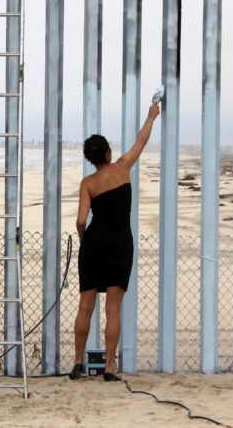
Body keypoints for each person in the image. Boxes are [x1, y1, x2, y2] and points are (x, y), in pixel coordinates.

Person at [69, 102, 160, 381]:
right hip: (120, 245)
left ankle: (77, 362)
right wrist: (151, 115)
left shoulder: (88, 183)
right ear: (108, 152)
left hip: (94, 247)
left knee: (86, 306)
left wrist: (85, 242)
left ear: (91, 159)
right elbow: (141, 141)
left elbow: (81, 221)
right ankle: (109, 366)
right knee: (113, 309)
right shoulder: (123, 167)